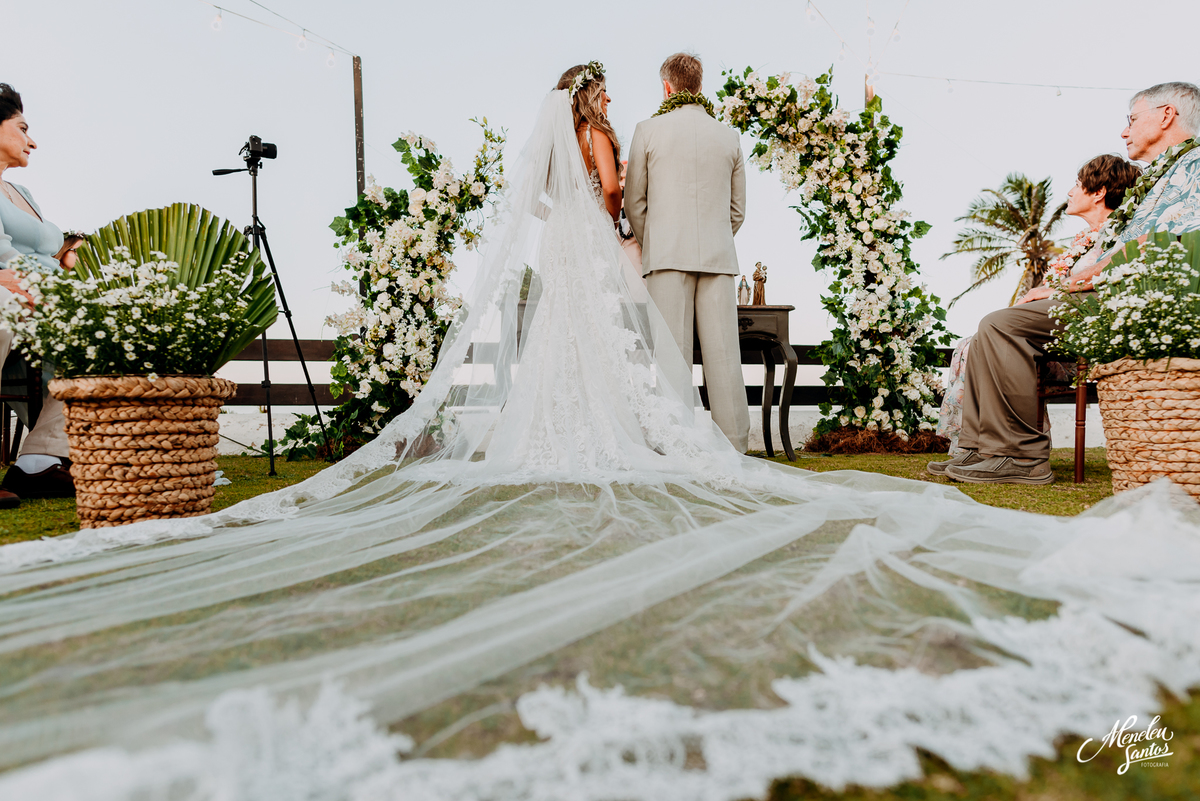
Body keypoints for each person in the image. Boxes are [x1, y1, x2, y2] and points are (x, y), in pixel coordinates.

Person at [2, 67, 1200, 800]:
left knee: (599, 372)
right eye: (606, 104)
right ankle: (653, 443)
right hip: (632, 261)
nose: (614, 113)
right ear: (595, 106)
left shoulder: (591, 147)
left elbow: (574, 203)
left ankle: (587, 440)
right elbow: (614, 201)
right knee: (649, 376)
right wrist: (624, 216)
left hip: (609, 264)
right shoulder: (617, 148)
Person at [933, 82, 1200, 485]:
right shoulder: (1161, 177)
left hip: (1131, 299)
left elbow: (1165, 239)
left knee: (1003, 324)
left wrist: (1071, 285)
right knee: (995, 325)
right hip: (1113, 293)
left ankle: (1021, 456)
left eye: (1131, 120)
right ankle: (981, 447)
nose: (1124, 132)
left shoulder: (1193, 165)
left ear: (1166, 116)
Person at [934, 154, 1142, 457]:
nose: (1070, 192)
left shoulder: (1123, 235)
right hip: (1058, 329)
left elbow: (1111, 277)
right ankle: (972, 444)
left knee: (994, 330)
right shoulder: (1082, 242)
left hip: (1085, 336)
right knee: (974, 343)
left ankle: (1014, 451)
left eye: (1077, 184)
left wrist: (1053, 288)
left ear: (1099, 193)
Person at [624, 52, 750, 452]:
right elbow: (737, 210)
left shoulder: (647, 130)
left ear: (667, 87)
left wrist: (655, 241)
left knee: (672, 357)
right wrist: (712, 236)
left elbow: (634, 202)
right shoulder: (728, 136)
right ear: (699, 84)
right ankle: (736, 446)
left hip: (665, 257)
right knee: (725, 356)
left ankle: (675, 445)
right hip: (717, 257)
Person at [0, 83, 73, 508]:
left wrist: (66, 253)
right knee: (5, 305)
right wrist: (36, 289)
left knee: (109, 332)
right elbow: (6, 258)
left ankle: (39, 461)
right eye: (22, 127)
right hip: (18, 296)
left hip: (44, 295)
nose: (33, 141)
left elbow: (39, 247)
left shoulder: (21, 193)